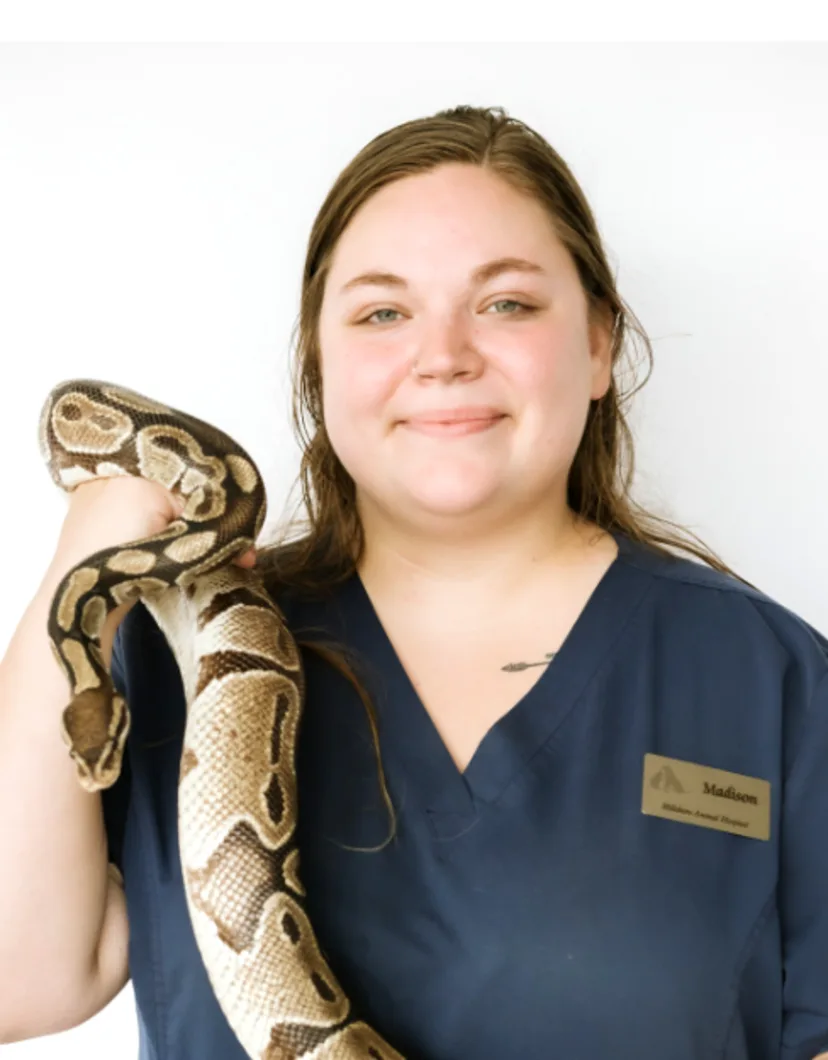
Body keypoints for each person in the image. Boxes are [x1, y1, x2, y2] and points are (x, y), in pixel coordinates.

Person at [1, 104, 826, 1060]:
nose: (443, 356)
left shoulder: (764, 674)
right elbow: (21, 983)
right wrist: (87, 549)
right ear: (320, 360)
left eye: (506, 303)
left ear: (600, 345)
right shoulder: (167, 650)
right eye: (383, 312)